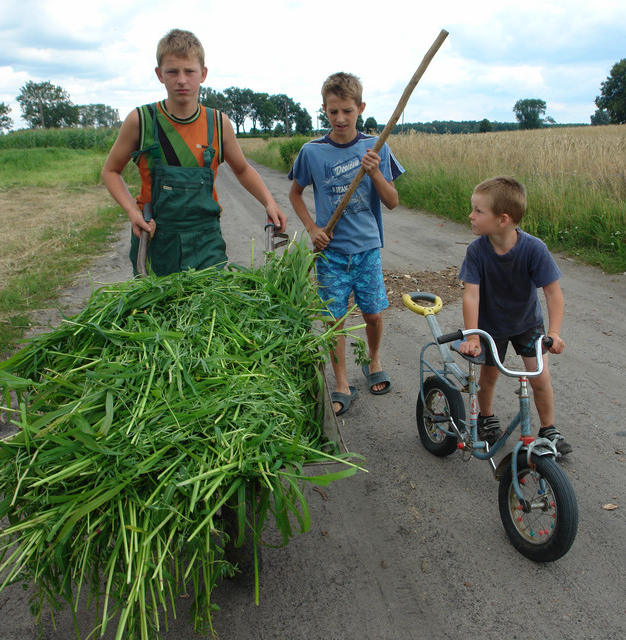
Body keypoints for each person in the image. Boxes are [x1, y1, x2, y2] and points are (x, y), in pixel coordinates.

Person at [102, 28, 287, 277]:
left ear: (203, 74)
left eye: (189, 71)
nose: (182, 80)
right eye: (172, 71)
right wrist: (133, 213)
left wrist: (269, 202)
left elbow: (242, 169)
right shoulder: (141, 121)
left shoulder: (218, 123)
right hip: (156, 237)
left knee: (210, 311)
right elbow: (110, 171)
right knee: (157, 313)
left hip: (205, 241)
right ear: (159, 75)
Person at [288, 72, 404, 416]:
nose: (340, 119)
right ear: (324, 110)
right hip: (332, 255)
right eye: (333, 111)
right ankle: (340, 382)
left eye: (347, 111)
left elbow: (393, 201)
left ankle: (373, 359)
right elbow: (295, 194)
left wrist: (375, 173)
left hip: (367, 250)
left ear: (361, 109)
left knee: (373, 313)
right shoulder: (312, 152)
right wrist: (312, 228)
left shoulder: (375, 147)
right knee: (334, 319)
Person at [456, 176, 571, 454]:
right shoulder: (477, 252)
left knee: (540, 378)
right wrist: (472, 335)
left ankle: (548, 430)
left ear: (503, 220)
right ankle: (486, 418)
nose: (470, 215)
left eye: (478, 211)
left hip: (527, 324)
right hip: (491, 328)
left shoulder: (534, 249)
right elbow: (472, 295)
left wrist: (554, 332)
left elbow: (553, 294)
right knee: (489, 378)